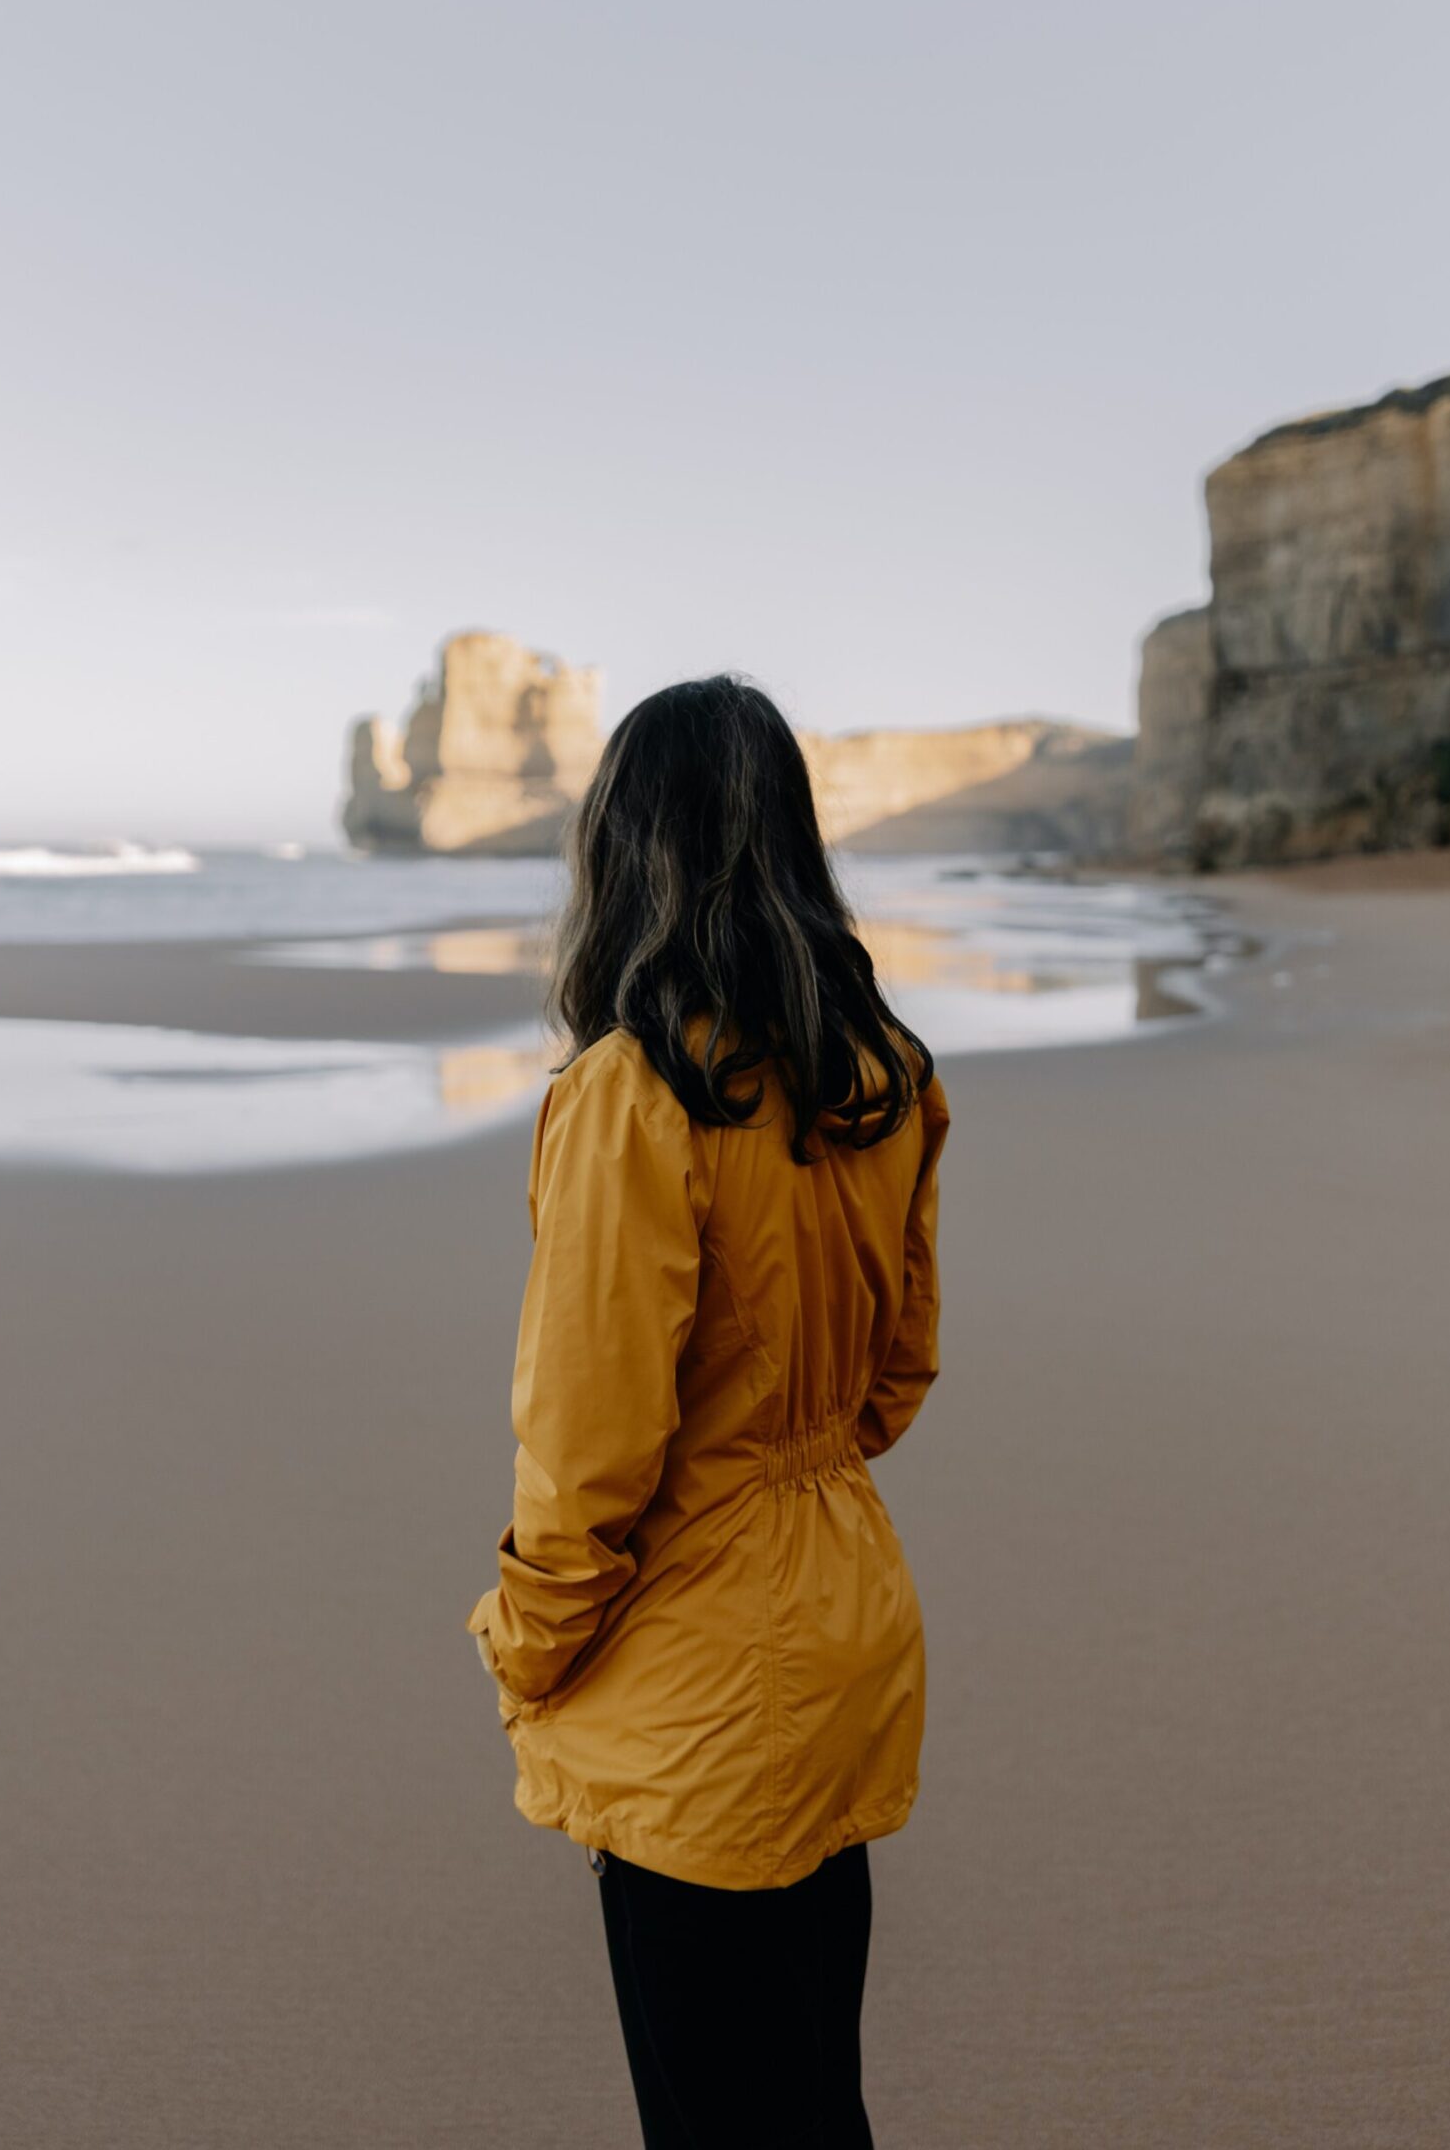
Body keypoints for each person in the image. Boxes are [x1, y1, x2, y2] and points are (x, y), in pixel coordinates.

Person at [466, 675, 949, 2149]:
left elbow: (588, 1452)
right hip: (847, 1621)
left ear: (625, 848)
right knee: (815, 2103)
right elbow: (894, 1384)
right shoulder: (880, 1073)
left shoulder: (634, 1091)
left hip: (698, 1684)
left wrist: (526, 1650)